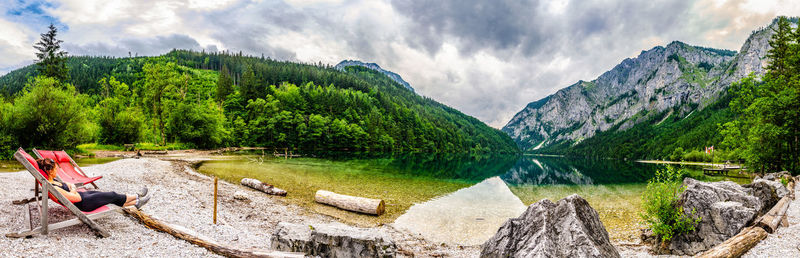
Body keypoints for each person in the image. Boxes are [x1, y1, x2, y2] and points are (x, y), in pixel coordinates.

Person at [36, 158, 151, 211]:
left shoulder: (53, 181)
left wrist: (72, 187)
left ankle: (136, 203)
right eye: (56, 169)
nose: (57, 170)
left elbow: (69, 184)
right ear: (49, 171)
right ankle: (137, 196)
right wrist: (73, 189)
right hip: (84, 203)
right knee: (112, 195)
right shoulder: (53, 187)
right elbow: (75, 197)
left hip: (84, 197)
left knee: (110, 197)